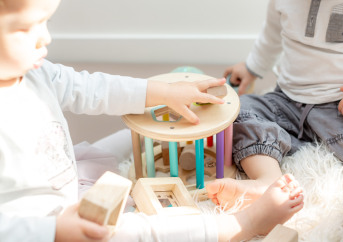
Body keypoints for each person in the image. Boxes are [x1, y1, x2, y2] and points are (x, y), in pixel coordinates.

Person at [0, 0, 304, 241]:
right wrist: (52, 232)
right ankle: (241, 224)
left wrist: (164, 93)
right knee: (137, 232)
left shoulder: (37, 72)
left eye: (45, 21)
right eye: (25, 28)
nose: (46, 38)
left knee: (138, 133)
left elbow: (93, 88)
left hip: (60, 179)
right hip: (41, 224)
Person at [207, 0, 343, 210]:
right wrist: (252, 67)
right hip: (288, 101)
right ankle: (268, 182)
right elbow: (272, 34)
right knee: (238, 110)